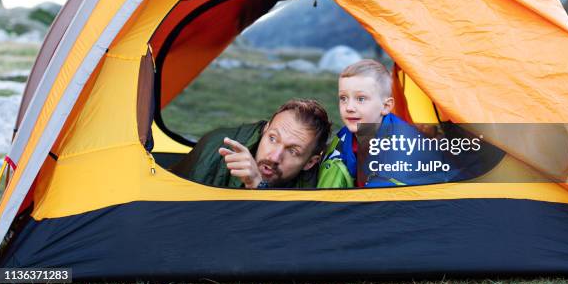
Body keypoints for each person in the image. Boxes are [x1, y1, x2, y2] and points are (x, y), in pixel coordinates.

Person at [317, 59, 451, 188]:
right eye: (343, 98)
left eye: (361, 98)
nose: (349, 107)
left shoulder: (403, 148)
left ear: (386, 106)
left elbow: (383, 205)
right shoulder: (342, 140)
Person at [171, 99, 331, 188]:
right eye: (273, 139)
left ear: (310, 162)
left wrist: (257, 187)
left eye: (293, 151)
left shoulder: (316, 192)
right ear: (265, 130)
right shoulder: (217, 147)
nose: (274, 157)